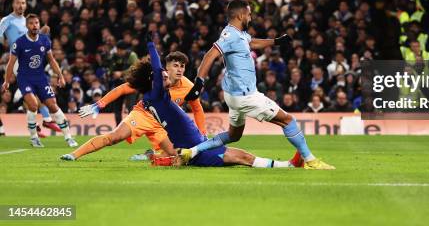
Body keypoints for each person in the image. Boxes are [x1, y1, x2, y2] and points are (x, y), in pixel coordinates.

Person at [62, 35, 299, 169]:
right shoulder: (157, 91)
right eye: (169, 69)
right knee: (241, 157)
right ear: (160, 73)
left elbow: (196, 107)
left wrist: (203, 132)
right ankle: (288, 166)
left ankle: (160, 158)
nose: (174, 72)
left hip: (180, 134)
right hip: (151, 118)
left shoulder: (183, 86)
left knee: (180, 158)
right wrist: (151, 45)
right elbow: (128, 85)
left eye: (181, 66)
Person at [178, 0, 334, 169]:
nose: (250, 18)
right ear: (240, 15)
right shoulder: (229, 35)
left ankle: (191, 151)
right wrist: (199, 83)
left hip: (233, 96)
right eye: (249, 15)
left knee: (233, 135)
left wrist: (276, 41)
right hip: (245, 96)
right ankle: (310, 160)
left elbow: (252, 42)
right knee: (288, 120)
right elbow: (210, 55)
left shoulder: (240, 35)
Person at [77, 51, 206, 161]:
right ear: (167, 68)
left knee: (175, 154)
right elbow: (123, 89)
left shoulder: (188, 87)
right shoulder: (155, 79)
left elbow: (197, 110)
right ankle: (74, 155)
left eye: (182, 66)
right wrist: (100, 104)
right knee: (115, 137)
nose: (179, 69)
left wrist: (203, 135)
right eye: (176, 66)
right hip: (142, 114)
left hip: (162, 124)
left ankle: (150, 155)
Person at [2, 14, 78, 148]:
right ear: (26, 26)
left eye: (36, 23)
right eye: (31, 23)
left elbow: (51, 60)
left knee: (53, 105)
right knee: (33, 105)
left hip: (41, 78)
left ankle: (69, 137)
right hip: (24, 78)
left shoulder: (45, 40)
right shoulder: (19, 43)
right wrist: (6, 81)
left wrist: (60, 75)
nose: (35, 25)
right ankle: (34, 138)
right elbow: (10, 63)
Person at [0, 0, 60, 136]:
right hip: (18, 60)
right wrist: (7, 47)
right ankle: (46, 118)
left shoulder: (28, 21)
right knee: (36, 91)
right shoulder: (7, 20)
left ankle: (35, 125)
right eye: (17, 3)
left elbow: (33, 38)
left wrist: (42, 33)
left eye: (23, 3)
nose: (20, 5)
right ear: (13, 4)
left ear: (26, 5)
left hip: (33, 60)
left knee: (30, 94)